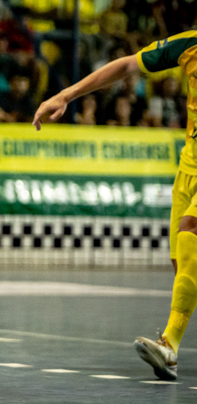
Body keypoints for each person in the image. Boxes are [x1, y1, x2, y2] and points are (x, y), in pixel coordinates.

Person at [33, 30, 197, 382]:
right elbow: (126, 65)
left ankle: (169, 347)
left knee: (190, 232)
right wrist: (66, 95)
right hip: (189, 167)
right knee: (182, 264)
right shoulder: (189, 44)